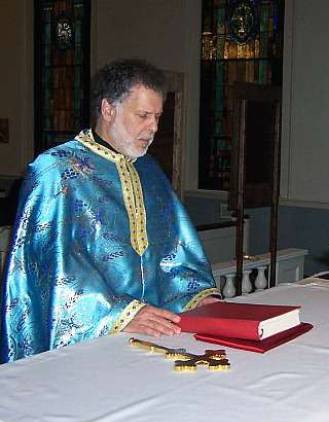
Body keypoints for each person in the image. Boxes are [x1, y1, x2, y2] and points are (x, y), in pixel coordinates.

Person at [1, 59, 219, 362]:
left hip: (155, 336)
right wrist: (120, 314)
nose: (153, 127)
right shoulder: (56, 170)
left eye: (157, 117)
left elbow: (174, 249)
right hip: (91, 341)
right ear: (108, 109)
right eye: (143, 115)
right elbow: (51, 267)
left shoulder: (149, 171)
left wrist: (198, 295)